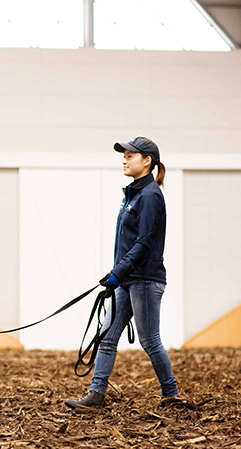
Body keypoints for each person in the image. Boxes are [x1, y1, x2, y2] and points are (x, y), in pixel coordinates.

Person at [65, 136, 181, 409]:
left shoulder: (151, 196)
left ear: (147, 161)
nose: (124, 160)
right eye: (124, 155)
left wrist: (118, 272)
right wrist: (118, 274)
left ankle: (172, 394)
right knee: (107, 337)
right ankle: (96, 394)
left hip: (144, 279)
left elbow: (144, 243)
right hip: (127, 278)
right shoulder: (135, 194)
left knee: (150, 340)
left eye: (130, 156)